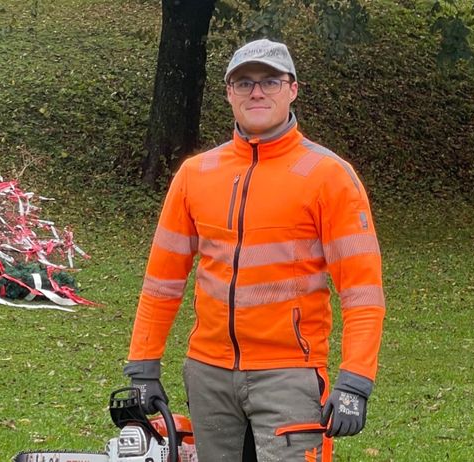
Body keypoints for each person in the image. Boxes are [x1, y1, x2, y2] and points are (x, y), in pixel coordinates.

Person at [123, 39, 385, 461]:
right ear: (228, 93)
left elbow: (363, 293)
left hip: (289, 375)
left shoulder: (329, 176)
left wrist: (355, 381)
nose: (257, 92)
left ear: (292, 89)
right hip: (208, 374)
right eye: (244, 83)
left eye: (270, 81)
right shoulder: (196, 174)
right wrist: (142, 366)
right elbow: (162, 283)